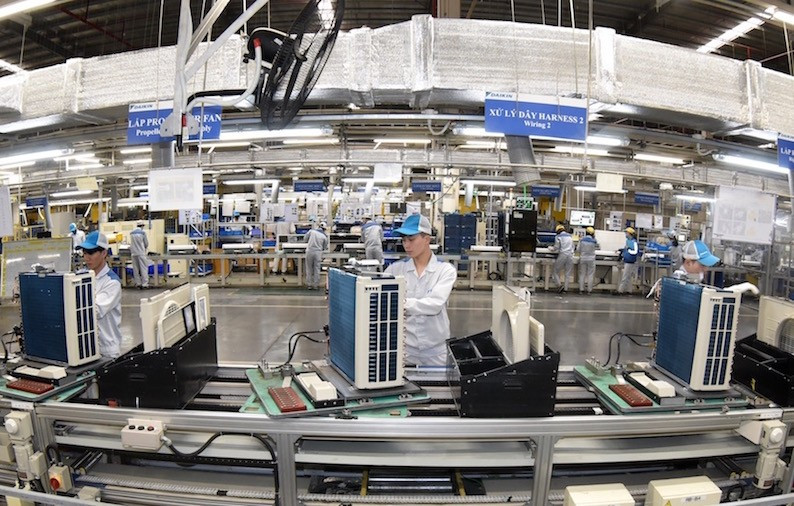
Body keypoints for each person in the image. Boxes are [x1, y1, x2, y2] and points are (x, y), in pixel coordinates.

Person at [385, 214, 457, 366]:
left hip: (436, 351)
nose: (407, 245)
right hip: (404, 350)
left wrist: (398, 303)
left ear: (427, 239)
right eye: (404, 240)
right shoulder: (394, 270)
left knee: (438, 388)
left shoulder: (445, 270)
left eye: (411, 239)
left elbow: (434, 304)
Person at [78, 231, 122, 359]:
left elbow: (93, 311)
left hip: (106, 349)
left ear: (104, 253)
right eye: (84, 253)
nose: (86, 258)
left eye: (91, 253)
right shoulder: (81, 275)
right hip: (86, 347)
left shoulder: (112, 282)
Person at [550, 224, 574, 293]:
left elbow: (556, 247)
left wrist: (550, 248)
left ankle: (559, 285)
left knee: (555, 271)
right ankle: (566, 289)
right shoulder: (570, 236)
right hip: (570, 255)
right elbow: (573, 246)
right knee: (567, 273)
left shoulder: (558, 237)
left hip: (563, 255)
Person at [304, 222, 328, 290]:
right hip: (318, 253)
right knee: (317, 269)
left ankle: (309, 285)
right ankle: (316, 285)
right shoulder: (324, 236)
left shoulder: (311, 232)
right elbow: (324, 247)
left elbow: (305, 239)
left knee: (309, 268)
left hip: (309, 251)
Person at [617, 227, 640, 294]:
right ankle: (629, 290)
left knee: (625, 277)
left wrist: (628, 250)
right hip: (628, 261)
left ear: (630, 234)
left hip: (630, 262)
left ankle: (620, 291)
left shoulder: (634, 242)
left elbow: (635, 252)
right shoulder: (629, 241)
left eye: (626, 233)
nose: (625, 234)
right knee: (628, 277)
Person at [577, 226, 599, 294]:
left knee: (582, 274)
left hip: (583, 258)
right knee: (590, 274)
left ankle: (581, 290)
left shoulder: (582, 240)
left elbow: (578, 249)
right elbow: (598, 248)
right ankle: (589, 290)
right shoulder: (594, 241)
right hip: (591, 259)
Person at [129, 221, 149, 289]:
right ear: (142, 226)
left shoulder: (132, 233)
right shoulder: (143, 233)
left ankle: (138, 283)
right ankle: (145, 284)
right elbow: (146, 243)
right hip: (141, 253)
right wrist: (145, 248)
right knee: (143, 268)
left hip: (133, 253)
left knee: (136, 269)